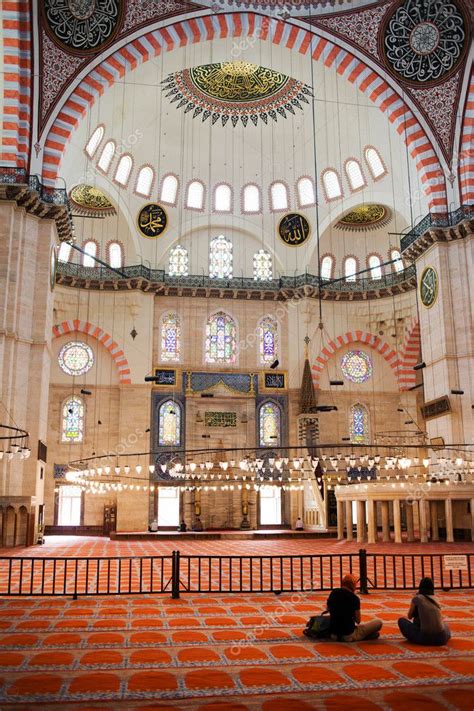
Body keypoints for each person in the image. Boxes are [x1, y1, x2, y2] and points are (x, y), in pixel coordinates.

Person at [326, 573, 382, 642]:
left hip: (333, 635)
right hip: (348, 635)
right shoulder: (354, 598)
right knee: (378, 623)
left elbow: (328, 609)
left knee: (374, 634)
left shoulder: (333, 592)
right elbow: (358, 621)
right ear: (353, 585)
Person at [398, 577, 451, 646]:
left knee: (401, 621)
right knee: (445, 625)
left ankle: (418, 638)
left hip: (424, 638)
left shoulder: (417, 598)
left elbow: (409, 616)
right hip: (441, 639)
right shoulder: (435, 599)